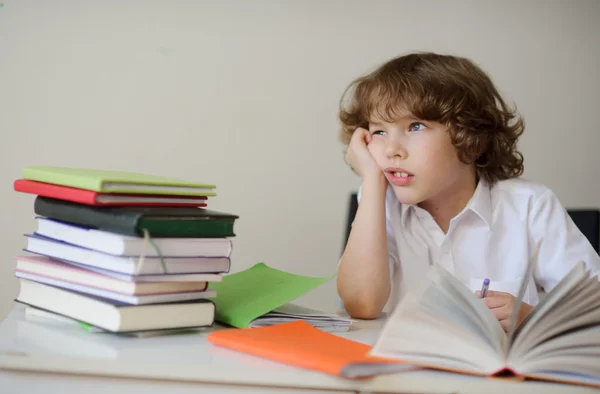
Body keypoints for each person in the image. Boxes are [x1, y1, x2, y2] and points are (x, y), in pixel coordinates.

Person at [336, 52, 600, 331]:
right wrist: (372, 179)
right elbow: (362, 303)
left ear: (470, 139)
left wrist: (534, 318)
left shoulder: (530, 207)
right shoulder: (379, 202)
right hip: (401, 372)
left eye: (415, 126)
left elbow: (593, 305)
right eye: (378, 132)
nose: (391, 150)